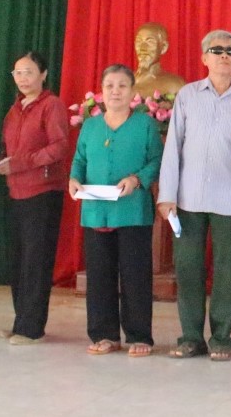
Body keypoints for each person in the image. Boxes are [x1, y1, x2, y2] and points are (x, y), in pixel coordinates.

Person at [157, 29, 231, 361]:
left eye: (230, 51)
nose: (224, 55)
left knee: (228, 272)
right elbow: (173, 148)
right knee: (188, 269)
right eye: (216, 50)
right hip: (188, 200)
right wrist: (166, 195)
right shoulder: (187, 95)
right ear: (204, 58)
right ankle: (189, 337)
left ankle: (221, 339)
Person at [69, 64, 162, 357]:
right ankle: (104, 333)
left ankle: (139, 336)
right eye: (109, 86)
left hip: (133, 211)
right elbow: (80, 160)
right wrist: (74, 179)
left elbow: (156, 161)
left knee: (135, 275)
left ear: (132, 91)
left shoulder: (145, 124)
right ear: (101, 91)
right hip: (96, 210)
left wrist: (137, 179)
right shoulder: (91, 125)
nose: (115, 91)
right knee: (99, 274)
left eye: (122, 86)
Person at [0, 51, 71, 345]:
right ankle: (20, 322)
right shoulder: (14, 110)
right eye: (17, 73)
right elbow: (8, 148)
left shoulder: (51, 106)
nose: (23, 78)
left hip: (42, 192)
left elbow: (59, 147)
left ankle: (32, 328)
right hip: (15, 192)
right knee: (18, 261)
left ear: (43, 74)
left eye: (28, 72)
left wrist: (21, 163)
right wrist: (1, 162)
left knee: (36, 261)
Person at [132, 21, 186, 98]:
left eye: (150, 42)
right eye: (138, 42)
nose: (142, 48)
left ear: (163, 48)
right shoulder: (122, 80)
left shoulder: (174, 85)